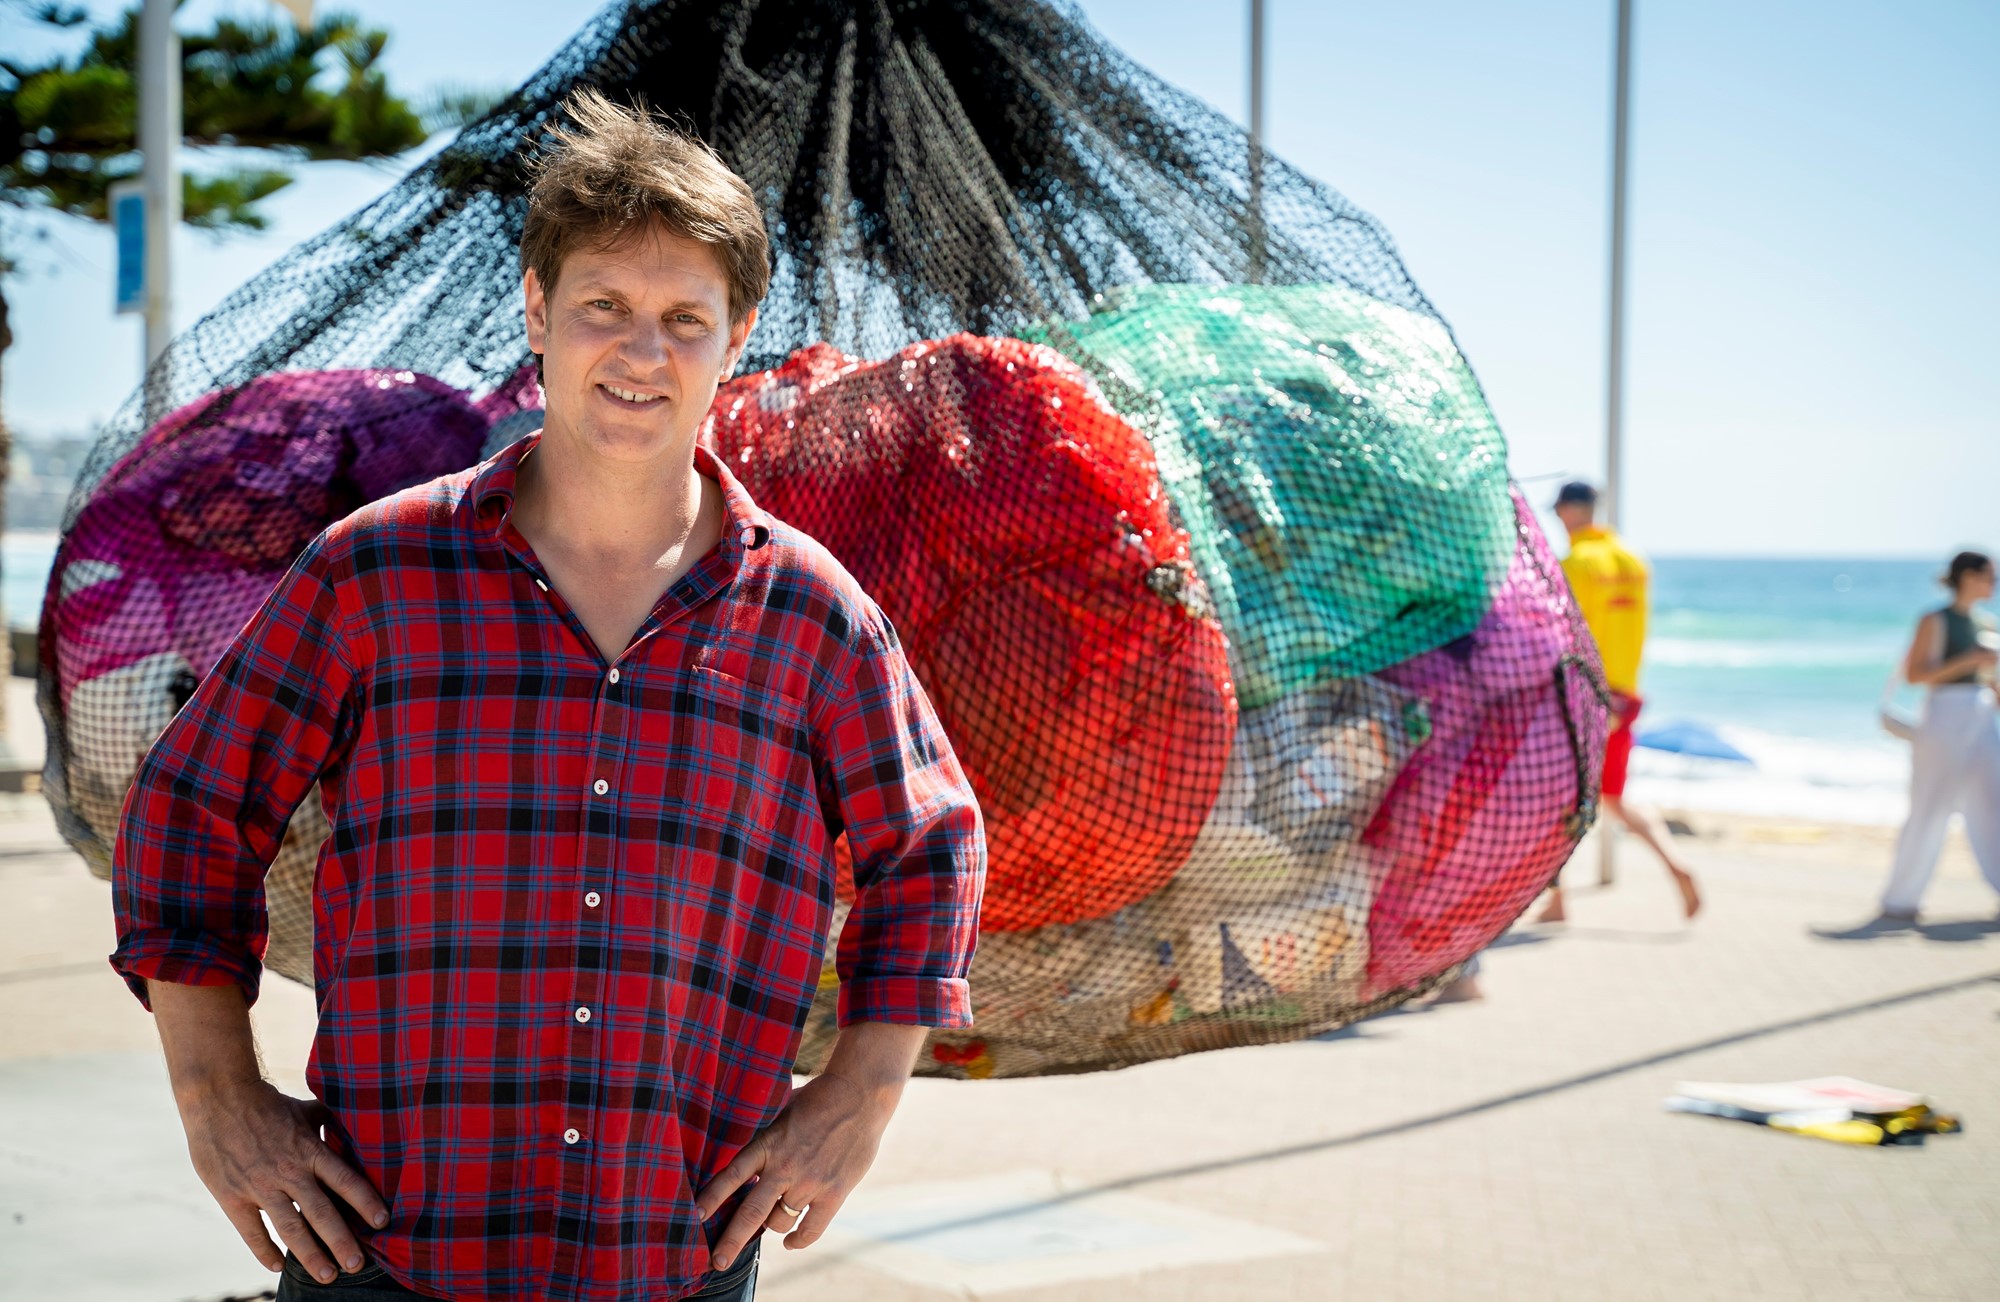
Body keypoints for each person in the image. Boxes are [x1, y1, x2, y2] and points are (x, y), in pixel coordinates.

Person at [110, 90, 985, 1302]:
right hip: (384, 1252)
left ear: (737, 338)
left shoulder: (812, 614)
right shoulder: (377, 569)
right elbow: (189, 812)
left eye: (686, 317)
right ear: (536, 309)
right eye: (604, 308)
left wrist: (861, 1095)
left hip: (675, 1257)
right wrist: (216, 1099)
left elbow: (930, 852)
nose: (642, 351)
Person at [1537, 481, 1700, 923]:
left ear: (1571, 511)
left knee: (1553, 798)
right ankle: (1675, 863)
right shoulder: (1633, 560)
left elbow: (1559, 634)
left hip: (1586, 695)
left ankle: (1557, 897)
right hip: (1627, 694)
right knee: (1613, 797)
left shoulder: (1575, 563)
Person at [1875, 550, 2000, 922]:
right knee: (1930, 806)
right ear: (1966, 577)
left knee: (1993, 804)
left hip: (1981, 717)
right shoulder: (1935, 619)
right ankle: (1901, 897)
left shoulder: (1987, 623)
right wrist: (1969, 660)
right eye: (1989, 576)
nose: (1994, 584)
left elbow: (1992, 683)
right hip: (1944, 716)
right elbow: (1916, 676)